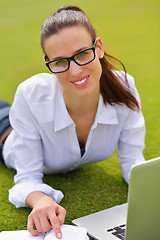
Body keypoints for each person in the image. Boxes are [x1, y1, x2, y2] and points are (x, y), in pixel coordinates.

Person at [0, 5, 145, 239]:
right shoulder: (30, 94)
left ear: (98, 48)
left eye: (82, 54)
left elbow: (133, 162)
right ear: (48, 62)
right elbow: (26, 179)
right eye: (60, 61)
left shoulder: (124, 88)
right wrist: (40, 199)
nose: (75, 71)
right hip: (4, 132)